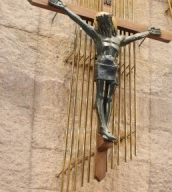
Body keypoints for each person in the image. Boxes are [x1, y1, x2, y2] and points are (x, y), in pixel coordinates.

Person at [49, 0, 163, 143]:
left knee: (109, 98)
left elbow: (134, 37)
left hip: (113, 68)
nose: (103, 23)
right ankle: (102, 126)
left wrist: (148, 32)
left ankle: (106, 126)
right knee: (101, 95)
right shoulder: (97, 35)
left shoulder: (119, 39)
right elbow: (79, 21)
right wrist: (64, 8)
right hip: (102, 65)